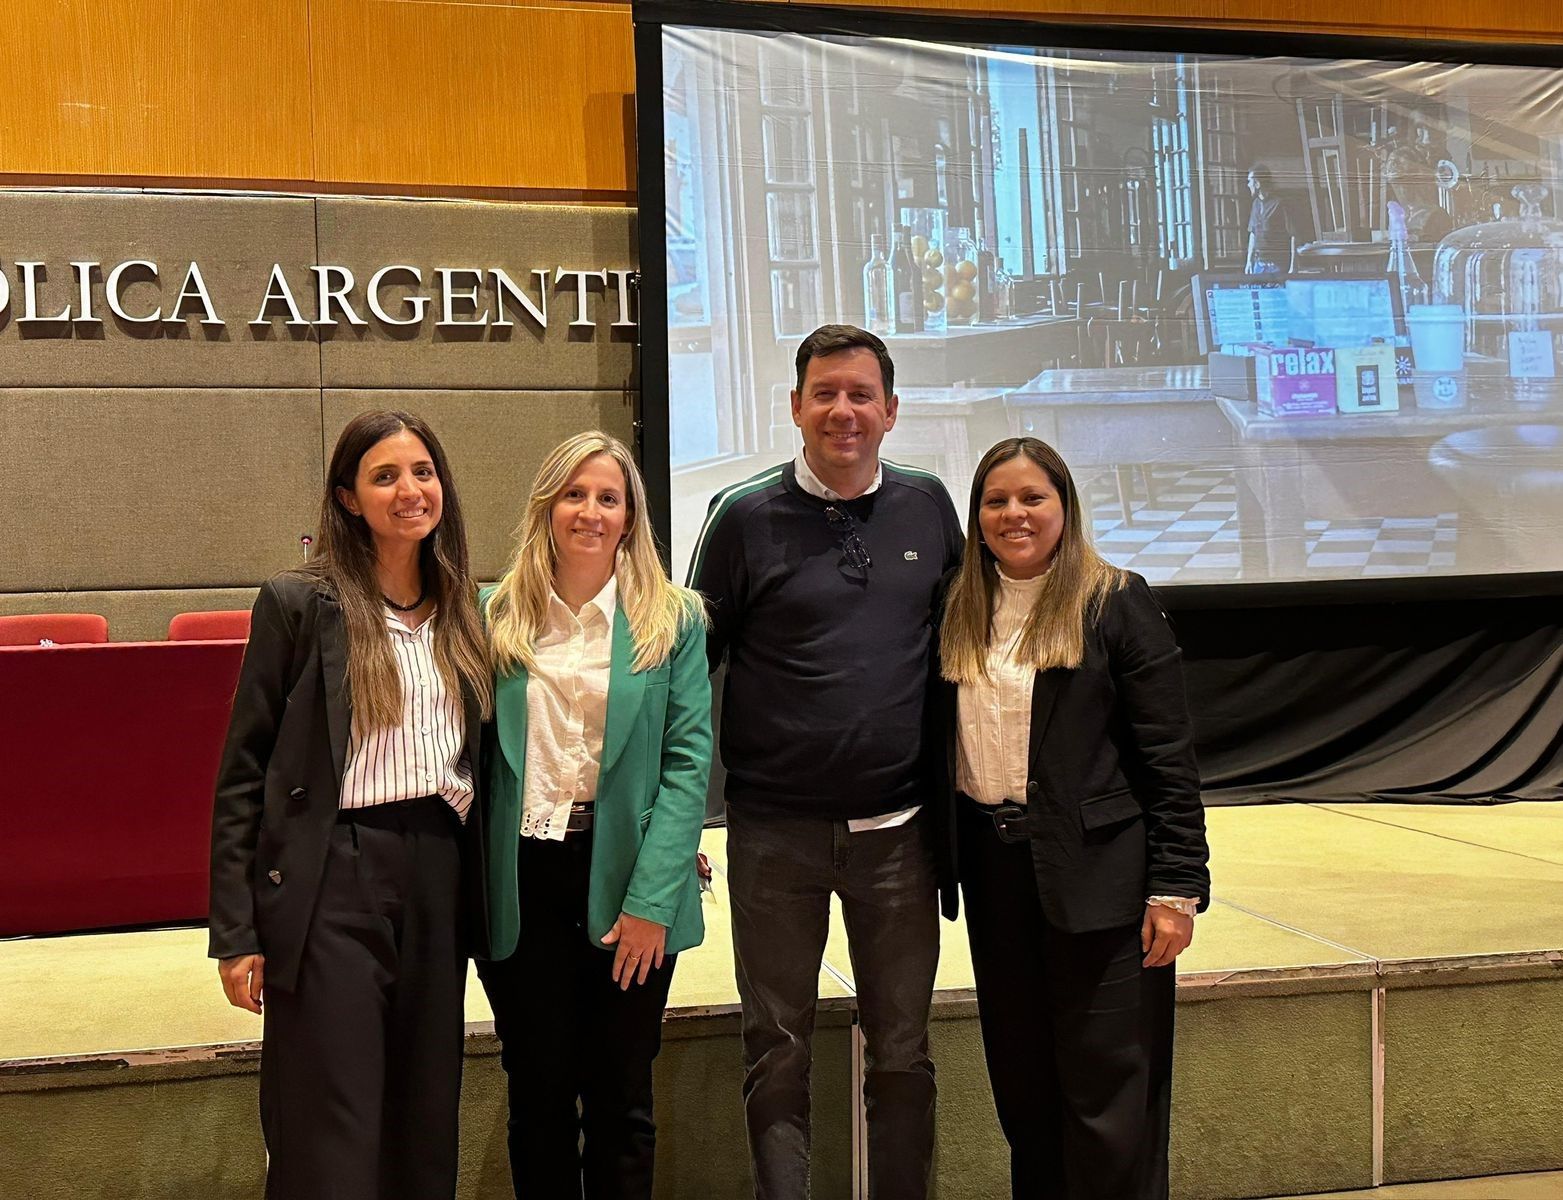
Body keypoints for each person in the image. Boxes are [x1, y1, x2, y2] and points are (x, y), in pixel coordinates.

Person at [688, 324, 965, 1199]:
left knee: (903, 1050)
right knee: (775, 1051)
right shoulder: (740, 517)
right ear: (795, 406)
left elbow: (965, 649)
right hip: (774, 839)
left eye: (860, 395)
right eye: (824, 394)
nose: (842, 411)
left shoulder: (928, 506)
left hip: (901, 836)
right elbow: (688, 673)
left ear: (891, 409)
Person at [208, 410, 493, 1200]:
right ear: (347, 498)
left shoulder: (464, 605)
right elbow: (243, 774)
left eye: (423, 472)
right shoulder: (298, 603)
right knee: (330, 1111)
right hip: (334, 870)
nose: (410, 490)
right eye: (385, 476)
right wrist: (236, 931)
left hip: (438, 864)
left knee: (424, 1106)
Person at [933, 437, 1211, 1200]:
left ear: (1064, 507)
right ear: (976, 515)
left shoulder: (1114, 600)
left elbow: (1167, 758)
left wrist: (1176, 887)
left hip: (1101, 881)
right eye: (996, 500)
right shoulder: (955, 603)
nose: (1014, 514)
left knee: (1106, 1095)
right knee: (1024, 1090)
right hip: (994, 877)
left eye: (1033, 498)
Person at [478, 430, 711, 1200]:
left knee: (620, 1100)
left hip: (630, 883)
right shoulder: (491, 615)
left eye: (608, 498)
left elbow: (686, 765)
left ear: (630, 515)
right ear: (546, 508)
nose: (590, 512)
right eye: (573, 495)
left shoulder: (674, 620)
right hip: (523, 882)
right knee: (537, 1097)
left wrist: (651, 904)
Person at [1245, 165, 1296, 275]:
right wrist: (1249, 261)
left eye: (1250, 181)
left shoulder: (1279, 204)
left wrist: (1293, 265)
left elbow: (1293, 235)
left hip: (1276, 266)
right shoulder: (1255, 204)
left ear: (1258, 184)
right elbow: (1253, 233)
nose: (1248, 185)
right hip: (1258, 266)